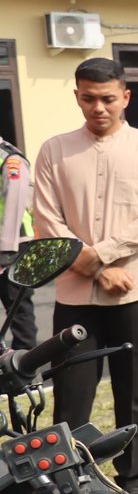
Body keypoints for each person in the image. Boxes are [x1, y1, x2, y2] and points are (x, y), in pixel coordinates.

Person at [33, 57, 138, 494]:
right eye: (89, 98)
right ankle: (65, 481)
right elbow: (47, 224)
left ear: (125, 98)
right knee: (70, 395)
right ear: (76, 95)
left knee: (131, 393)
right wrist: (95, 268)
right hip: (76, 296)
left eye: (108, 99)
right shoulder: (54, 151)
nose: (98, 108)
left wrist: (104, 253)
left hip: (136, 290)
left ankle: (131, 479)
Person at [0, 137, 36, 349]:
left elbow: (14, 203)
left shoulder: (10, 158)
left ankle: (26, 365)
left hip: (13, 245)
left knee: (18, 308)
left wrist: (6, 249)